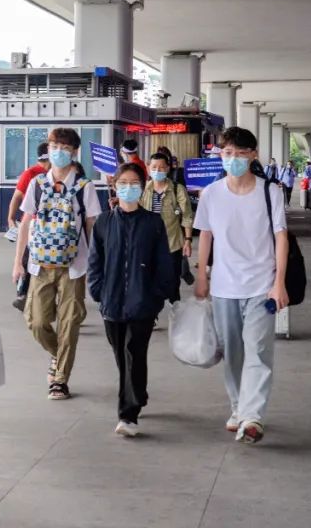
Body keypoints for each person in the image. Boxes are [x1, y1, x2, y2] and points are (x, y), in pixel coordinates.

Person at [194, 127, 288, 445]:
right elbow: (205, 235)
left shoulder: (270, 192)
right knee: (233, 353)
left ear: (253, 155)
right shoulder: (211, 194)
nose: (232, 159)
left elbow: (281, 237)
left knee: (258, 351)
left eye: (239, 153)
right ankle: (238, 407)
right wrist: (202, 276)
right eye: (227, 153)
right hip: (224, 287)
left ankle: (252, 416)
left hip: (262, 286)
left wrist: (279, 282)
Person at [88, 162, 178, 437]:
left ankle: (128, 415)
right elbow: (95, 262)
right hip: (111, 303)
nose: (128, 188)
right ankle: (137, 392)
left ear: (142, 186)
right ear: (114, 186)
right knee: (121, 356)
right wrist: (99, 291)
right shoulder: (104, 222)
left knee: (134, 354)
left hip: (143, 304)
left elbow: (163, 262)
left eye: (134, 183)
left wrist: (157, 295)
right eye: (123, 183)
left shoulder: (153, 223)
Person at [13, 127, 102, 400]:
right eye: (54, 147)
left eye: (65, 148)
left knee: (69, 322)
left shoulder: (85, 187)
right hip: (40, 264)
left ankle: (60, 379)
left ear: (74, 152)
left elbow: (91, 225)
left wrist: (95, 263)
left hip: (74, 265)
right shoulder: (37, 184)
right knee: (36, 321)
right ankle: (58, 353)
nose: (59, 152)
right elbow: (26, 222)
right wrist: (18, 262)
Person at [140, 152, 193, 288]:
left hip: (172, 243)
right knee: (149, 280)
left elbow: (187, 216)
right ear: (148, 168)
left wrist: (188, 240)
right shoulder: (142, 190)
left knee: (172, 280)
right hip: (148, 243)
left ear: (168, 168)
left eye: (162, 167)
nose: (157, 170)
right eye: (154, 167)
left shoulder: (177, 189)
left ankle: (173, 298)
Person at [6, 142, 51, 231]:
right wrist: (11, 218)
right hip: (32, 224)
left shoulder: (52, 174)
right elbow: (16, 197)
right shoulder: (30, 173)